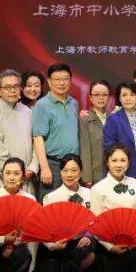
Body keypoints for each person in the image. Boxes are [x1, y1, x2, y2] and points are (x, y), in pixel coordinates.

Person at [32, 154, 97, 272]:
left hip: (80, 243)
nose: (69, 175)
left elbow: (96, 221)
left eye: (74, 170)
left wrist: (88, 234)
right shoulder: (51, 197)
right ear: (60, 173)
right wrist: (53, 245)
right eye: (65, 170)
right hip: (59, 246)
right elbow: (44, 229)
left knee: (89, 251)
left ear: (80, 172)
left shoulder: (91, 194)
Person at [90, 144, 136, 272]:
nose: (118, 165)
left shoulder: (135, 184)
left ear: (128, 163)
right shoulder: (97, 188)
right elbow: (95, 224)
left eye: (123, 160)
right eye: (114, 160)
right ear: (107, 162)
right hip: (107, 247)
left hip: (133, 244)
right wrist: (111, 247)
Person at [0, 69, 38, 192]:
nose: (12, 90)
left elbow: (36, 142)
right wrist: (16, 174)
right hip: (4, 179)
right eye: (7, 87)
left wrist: (33, 167)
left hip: (28, 177)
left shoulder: (27, 111)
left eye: (16, 86)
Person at [32, 63, 81, 202]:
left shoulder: (74, 103)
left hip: (73, 164)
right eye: (57, 79)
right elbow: (38, 137)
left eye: (65, 79)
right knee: (51, 206)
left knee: (71, 206)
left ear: (70, 81)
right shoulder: (42, 105)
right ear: (49, 81)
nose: (62, 83)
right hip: (53, 165)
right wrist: (44, 168)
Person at [103, 81, 136, 186]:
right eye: (124, 95)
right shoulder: (113, 119)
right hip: (124, 166)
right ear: (119, 99)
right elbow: (108, 146)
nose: (128, 98)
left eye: (132, 94)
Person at [79, 80, 112, 187]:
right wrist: (87, 177)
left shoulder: (113, 118)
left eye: (104, 95)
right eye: (96, 95)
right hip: (95, 175)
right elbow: (84, 150)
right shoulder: (84, 119)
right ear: (90, 97)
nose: (101, 98)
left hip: (113, 173)